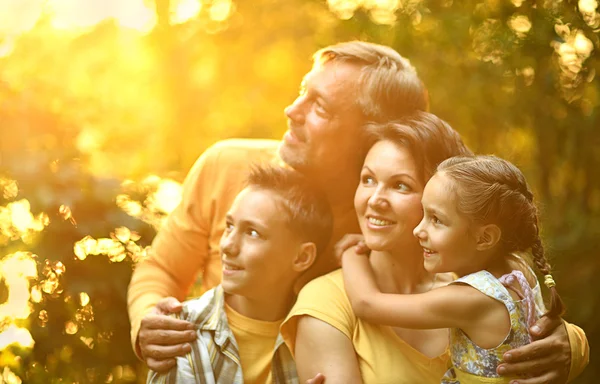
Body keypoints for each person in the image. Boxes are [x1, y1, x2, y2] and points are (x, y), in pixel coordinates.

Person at [127, 41, 588, 381]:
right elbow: (161, 269)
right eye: (302, 92)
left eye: (320, 107)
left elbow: (506, 268)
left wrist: (567, 341)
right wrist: (149, 320)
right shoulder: (229, 167)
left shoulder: (398, 219)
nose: (291, 110)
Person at [280, 115, 589, 383]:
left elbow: (369, 304)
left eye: (401, 185)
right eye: (368, 179)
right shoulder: (326, 303)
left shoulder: (467, 286)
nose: (375, 199)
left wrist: (573, 345)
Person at [341, 154, 566, 383]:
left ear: (484, 238)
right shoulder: (517, 268)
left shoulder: (469, 299)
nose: (418, 230)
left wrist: (350, 252)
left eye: (437, 220)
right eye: (424, 214)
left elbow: (366, 304)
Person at [147, 165, 333, 383]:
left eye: (252, 233)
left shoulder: (322, 333)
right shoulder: (180, 334)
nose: (227, 245)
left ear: (302, 257)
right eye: (229, 226)